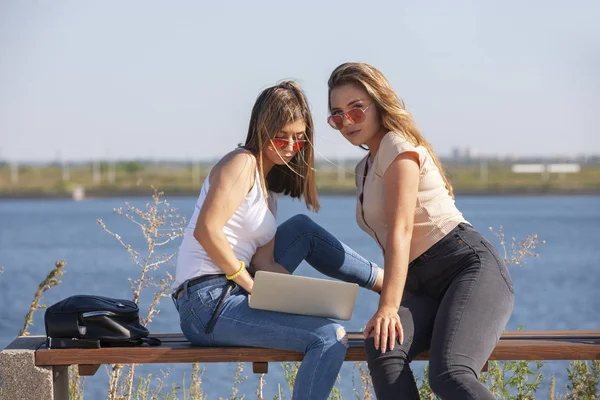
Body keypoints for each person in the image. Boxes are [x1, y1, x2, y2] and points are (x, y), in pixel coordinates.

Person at [172, 80, 384, 400]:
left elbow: (265, 264)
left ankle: (390, 284)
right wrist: (249, 283)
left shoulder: (267, 195)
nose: (289, 147)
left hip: (233, 292)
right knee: (330, 337)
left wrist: (304, 298)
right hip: (206, 302)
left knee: (301, 229)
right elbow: (207, 230)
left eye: (298, 141)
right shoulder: (240, 163)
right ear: (262, 128)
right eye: (281, 136)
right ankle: (390, 283)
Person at [327, 62, 514, 400]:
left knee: (449, 374)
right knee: (382, 346)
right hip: (423, 285)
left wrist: (388, 306)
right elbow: (390, 243)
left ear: (379, 102)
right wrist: (392, 305)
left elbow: (401, 231)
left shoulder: (398, 146)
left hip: (465, 267)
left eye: (356, 109)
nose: (347, 122)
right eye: (337, 116)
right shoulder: (364, 168)